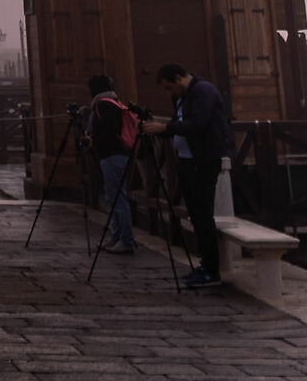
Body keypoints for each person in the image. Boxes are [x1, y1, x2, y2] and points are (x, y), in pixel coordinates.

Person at [151, 62, 232, 287]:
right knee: (196, 214)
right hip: (188, 161)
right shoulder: (184, 97)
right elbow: (181, 123)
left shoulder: (203, 91)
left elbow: (198, 124)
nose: (169, 93)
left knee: (203, 214)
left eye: (169, 88)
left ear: (179, 78)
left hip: (204, 161)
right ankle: (205, 265)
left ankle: (212, 271)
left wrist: (164, 129)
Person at [85, 73, 138, 253]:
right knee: (113, 196)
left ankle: (125, 240)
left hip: (113, 155)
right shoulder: (112, 101)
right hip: (115, 155)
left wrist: (94, 140)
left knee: (117, 198)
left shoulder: (104, 104)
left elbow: (110, 129)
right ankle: (116, 236)